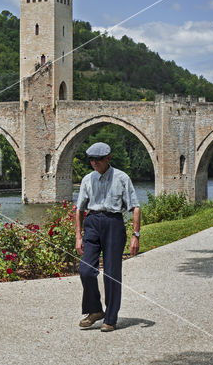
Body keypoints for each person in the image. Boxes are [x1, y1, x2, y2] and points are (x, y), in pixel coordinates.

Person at [75, 142, 141, 332]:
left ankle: (110, 318)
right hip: (93, 222)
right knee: (86, 270)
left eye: (98, 160)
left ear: (108, 158)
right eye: (91, 160)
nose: (94, 163)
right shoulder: (88, 179)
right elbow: (79, 209)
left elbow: (135, 206)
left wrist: (135, 235)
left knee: (112, 273)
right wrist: (78, 236)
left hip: (113, 223)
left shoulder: (121, 178)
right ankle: (95, 310)